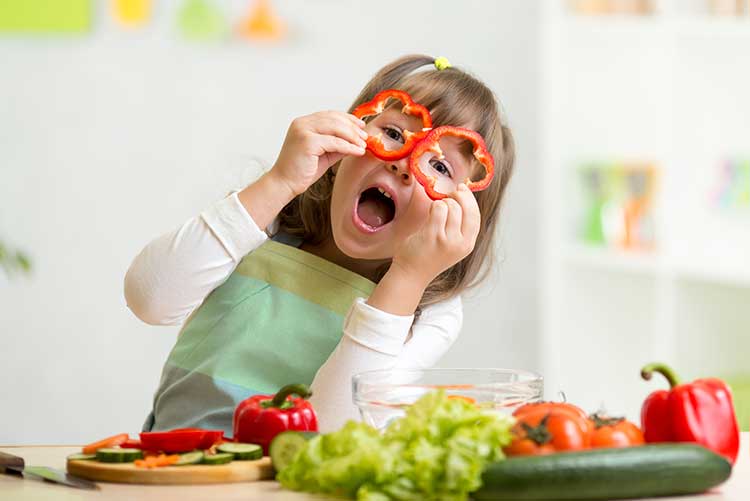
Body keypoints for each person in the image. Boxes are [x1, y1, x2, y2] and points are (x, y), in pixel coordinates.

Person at [124, 54, 516, 434]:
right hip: (169, 468)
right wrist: (277, 182)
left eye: (440, 166)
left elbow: (334, 430)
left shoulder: (432, 310)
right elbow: (149, 299)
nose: (403, 163)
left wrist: (408, 278)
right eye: (393, 133)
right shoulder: (268, 219)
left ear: (463, 214)